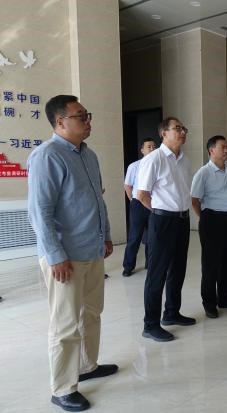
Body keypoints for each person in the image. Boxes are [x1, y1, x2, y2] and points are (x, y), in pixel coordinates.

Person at [27, 95, 118, 411]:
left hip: (91, 248)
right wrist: (54, 255)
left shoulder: (89, 155)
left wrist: (106, 236)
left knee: (91, 313)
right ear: (60, 122)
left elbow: (98, 200)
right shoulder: (47, 156)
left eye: (87, 114)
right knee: (65, 324)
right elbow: (39, 211)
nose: (88, 120)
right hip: (65, 256)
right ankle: (63, 388)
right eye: (81, 116)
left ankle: (87, 366)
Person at [136, 117, 195, 342]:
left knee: (178, 269)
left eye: (183, 128)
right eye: (177, 128)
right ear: (164, 133)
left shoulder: (185, 160)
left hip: (182, 220)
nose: (182, 132)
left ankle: (171, 313)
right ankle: (150, 325)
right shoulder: (154, 159)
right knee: (157, 273)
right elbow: (142, 195)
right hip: (162, 221)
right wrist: (161, 211)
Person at [191, 135, 227, 319]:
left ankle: (225, 298)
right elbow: (195, 200)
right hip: (212, 220)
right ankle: (209, 303)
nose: (226, 150)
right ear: (211, 150)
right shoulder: (203, 173)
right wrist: (207, 218)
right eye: (223, 147)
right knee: (211, 264)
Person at [121, 138, 156, 276]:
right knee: (135, 237)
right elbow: (127, 186)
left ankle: (150, 264)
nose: (152, 149)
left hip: (153, 204)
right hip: (138, 204)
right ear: (142, 150)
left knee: (152, 237)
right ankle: (128, 266)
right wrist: (133, 201)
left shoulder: (158, 165)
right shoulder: (134, 166)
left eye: (154, 146)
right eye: (149, 147)